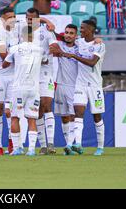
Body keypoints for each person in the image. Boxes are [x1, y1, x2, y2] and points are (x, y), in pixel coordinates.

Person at [52, 20, 106, 156]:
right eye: (80, 29)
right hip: (80, 84)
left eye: (83, 28)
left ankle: (100, 147)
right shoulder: (79, 42)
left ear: (90, 29)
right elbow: (62, 36)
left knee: (97, 116)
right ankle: (76, 144)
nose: (81, 30)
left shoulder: (99, 45)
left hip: (95, 86)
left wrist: (74, 56)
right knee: (77, 114)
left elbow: (92, 62)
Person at [2, 23, 44, 157]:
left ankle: (17, 148)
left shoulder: (15, 48)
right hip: (34, 88)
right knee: (32, 119)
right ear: (33, 37)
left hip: (19, 88)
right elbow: (45, 61)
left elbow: (5, 65)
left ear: (21, 36)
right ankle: (31, 149)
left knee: (15, 117)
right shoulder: (40, 49)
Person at [24, 8, 57, 155]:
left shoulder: (46, 31)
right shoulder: (24, 32)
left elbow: (55, 48)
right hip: (31, 75)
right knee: (36, 110)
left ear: (38, 18)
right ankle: (43, 145)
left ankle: (51, 143)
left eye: (32, 18)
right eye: (27, 18)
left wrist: (45, 56)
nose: (29, 21)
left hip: (45, 74)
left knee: (46, 104)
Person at [0, 7, 19, 155]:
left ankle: (11, 143)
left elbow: (35, 23)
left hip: (13, 75)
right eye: (9, 17)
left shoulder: (17, 31)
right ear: (3, 19)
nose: (13, 19)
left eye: (14, 16)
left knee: (11, 110)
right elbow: (3, 55)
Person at [52, 24, 79, 155]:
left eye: (71, 33)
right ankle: (68, 146)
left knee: (74, 116)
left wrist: (98, 40)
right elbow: (52, 43)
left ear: (76, 36)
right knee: (64, 117)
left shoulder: (80, 47)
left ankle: (70, 144)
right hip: (61, 85)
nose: (68, 35)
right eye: (67, 32)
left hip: (75, 87)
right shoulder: (59, 45)